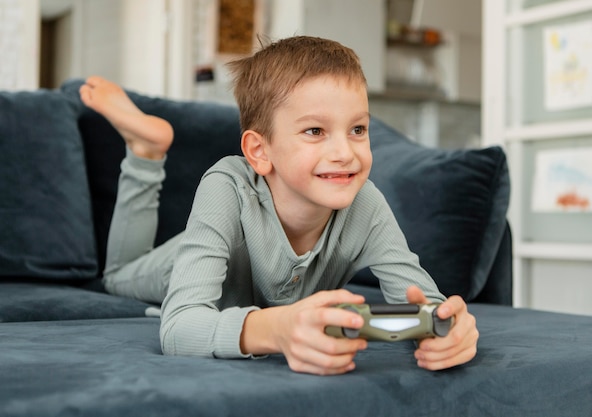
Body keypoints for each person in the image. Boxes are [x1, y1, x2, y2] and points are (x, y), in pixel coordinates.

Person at [79, 36, 478, 376]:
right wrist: (277, 329)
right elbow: (180, 326)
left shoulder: (365, 203)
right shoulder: (227, 186)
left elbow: (423, 301)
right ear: (260, 151)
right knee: (115, 278)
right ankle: (146, 153)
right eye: (315, 131)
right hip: (186, 260)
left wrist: (449, 327)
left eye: (358, 129)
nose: (345, 152)